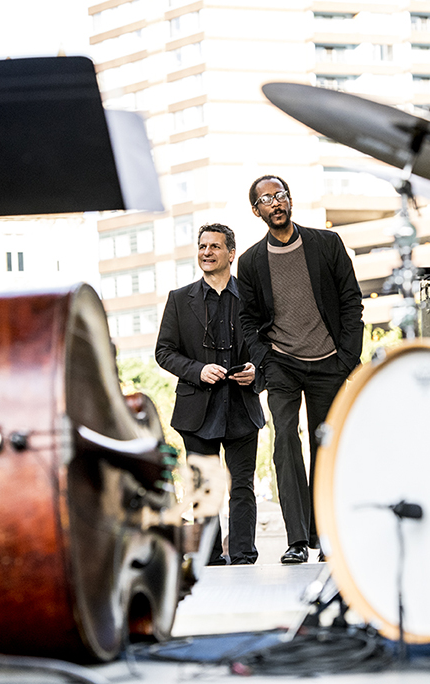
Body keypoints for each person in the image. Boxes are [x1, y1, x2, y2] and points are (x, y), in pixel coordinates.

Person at [237, 175, 363, 564]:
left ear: (290, 200)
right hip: (282, 366)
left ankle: (327, 534)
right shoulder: (251, 262)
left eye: (280, 195)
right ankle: (296, 540)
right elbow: (247, 320)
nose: (275, 203)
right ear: (256, 211)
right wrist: (265, 361)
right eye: (266, 200)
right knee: (285, 445)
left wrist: (346, 359)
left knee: (327, 447)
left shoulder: (326, 244)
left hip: (330, 362)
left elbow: (351, 303)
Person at [155, 223, 266, 565]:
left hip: (242, 406)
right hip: (196, 408)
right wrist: (197, 371)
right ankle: (211, 556)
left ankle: (245, 554)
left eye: (215, 247)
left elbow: (267, 350)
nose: (206, 252)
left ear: (231, 254)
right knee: (205, 487)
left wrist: (255, 373)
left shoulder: (253, 300)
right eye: (202, 246)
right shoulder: (178, 299)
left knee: (242, 487)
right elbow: (164, 352)